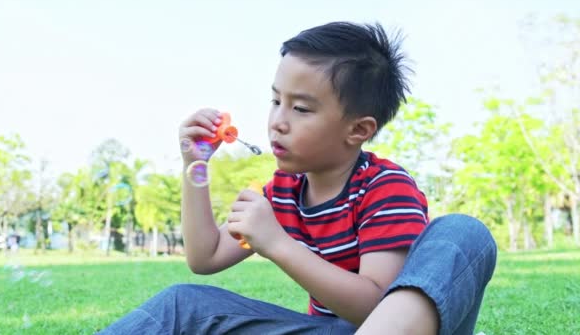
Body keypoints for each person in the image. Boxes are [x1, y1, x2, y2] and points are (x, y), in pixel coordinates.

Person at [98, 21, 496, 335]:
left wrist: (277, 243)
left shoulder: (384, 187)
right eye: (275, 101)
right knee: (183, 303)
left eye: (301, 109)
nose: (277, 122)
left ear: (358, 130)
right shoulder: (283, 192)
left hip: (399, 327)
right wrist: (195, 165)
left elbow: (377, 307)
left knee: (463, 233)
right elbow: (205, 258)